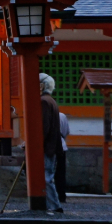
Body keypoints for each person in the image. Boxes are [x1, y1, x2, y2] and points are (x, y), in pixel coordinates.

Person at [40, 73, 63, 215]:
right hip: (52, 145)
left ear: (42, 85)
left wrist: (35, 143)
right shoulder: (51, 101)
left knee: (47, 177)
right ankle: (53, 204)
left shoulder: (43, 102)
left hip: (47, 146)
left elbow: (44, 126)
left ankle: (55, 205)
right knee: (48, 176)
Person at [57, 110, 70, 204]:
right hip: (61, 145)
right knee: (60, 173)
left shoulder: (42, 115)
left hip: (49, 146)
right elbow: (66, 131)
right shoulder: (62, 115)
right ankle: (61, 195)